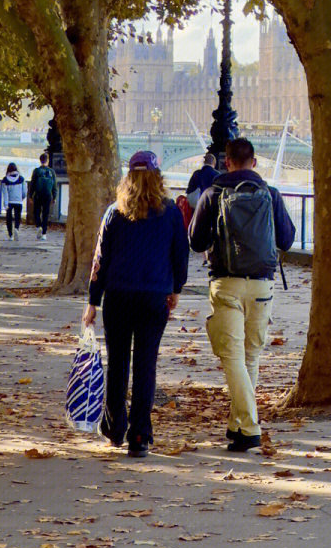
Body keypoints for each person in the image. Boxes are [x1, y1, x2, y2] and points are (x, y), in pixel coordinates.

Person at [189, 138, 295, 452]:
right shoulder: (271, 195)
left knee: (232, 357)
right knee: (250, 356)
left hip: (227, 284)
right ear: (255, 163)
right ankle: (237, 426)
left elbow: (195, 242)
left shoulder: (213, 194)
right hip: (263, 283)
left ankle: (249, 427)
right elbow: (287, 239)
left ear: (228, 163)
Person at [83, 150, 189, 459]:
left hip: (118, 296)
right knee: (146, 365)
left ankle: (116, 427)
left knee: (118, 363)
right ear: (158, 177)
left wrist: (93, 300)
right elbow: (180, 256)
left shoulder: (114, 213)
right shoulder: (170, 213)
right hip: (154, 296)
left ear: (128, 178)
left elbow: (100, 260)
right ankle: (140, 435)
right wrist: (175, 289)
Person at [28, 153, 57, 242]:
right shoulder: (52, 172)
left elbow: (32, 184)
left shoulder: (36, 171)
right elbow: (54, 185)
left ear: (40, 160)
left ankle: (38, 226)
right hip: (47, 195)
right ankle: (44, 234)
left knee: (36, 212)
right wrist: (54, 196)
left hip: (38, 194)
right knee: (45, 213)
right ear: (47, 161)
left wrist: (30, 196)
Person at [0, 162, 27, 242]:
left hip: (9, 202)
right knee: (17, 217)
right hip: (18, 202)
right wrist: (22, 198)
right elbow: (25, 191)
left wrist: (6, 204)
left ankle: (10, 235)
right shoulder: (21, 179)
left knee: (9, 219)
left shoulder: (5, 180)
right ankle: (16, 229)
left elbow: (5, 194)